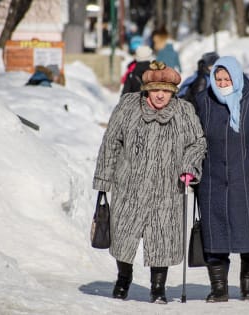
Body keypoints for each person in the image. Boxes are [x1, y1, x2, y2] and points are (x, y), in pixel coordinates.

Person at [92, 60, 206, 304]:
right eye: (156, 90)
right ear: (147, 90)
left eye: (165, 91)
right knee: (124, 235)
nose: (160, 96)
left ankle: (158, 288)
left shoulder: (184, 111)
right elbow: (111, 141)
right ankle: (123, 278)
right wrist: (104, 178)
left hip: (167, 189)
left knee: (162, 238)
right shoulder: (128, 107)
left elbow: (198, 143)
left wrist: (189, 167)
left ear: (173, 92)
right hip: (129, 185)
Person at [194, 56, 249, 302]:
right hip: (212, 179)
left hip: (248, 178)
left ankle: (248, 286)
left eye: (227, 79)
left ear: (237, 77)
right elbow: (192, 139)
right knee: (214, 233)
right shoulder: (203, 101)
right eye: (218, 79)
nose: (222, 83)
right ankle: (219, 288)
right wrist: (191, 167)